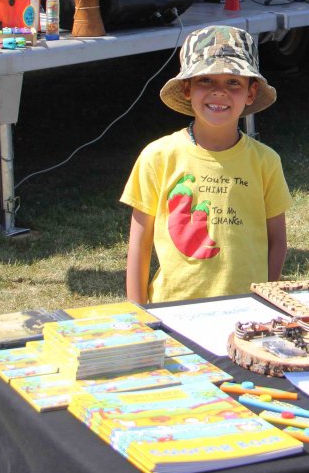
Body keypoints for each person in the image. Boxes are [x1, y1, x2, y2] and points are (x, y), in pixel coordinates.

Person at [121, 25, 292, 303]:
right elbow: (138, 246)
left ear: (251, 92)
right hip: (171, 309)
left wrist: (265, 300)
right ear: (187, 88)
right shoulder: (158, 157)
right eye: (206, 81)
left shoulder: (266, 162)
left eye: (233, 82)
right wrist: (139, 314)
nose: (219, 92)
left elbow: (277, 242)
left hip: (246, 309)